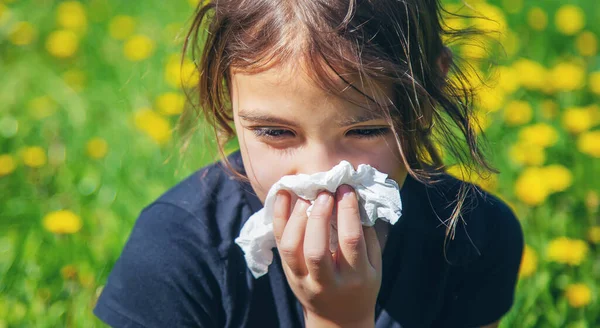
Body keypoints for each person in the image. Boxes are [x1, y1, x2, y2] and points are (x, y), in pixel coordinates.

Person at [93, 0, 524, 327]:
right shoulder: (173, 253)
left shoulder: (475, 238)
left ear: (428, 95)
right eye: (276, 132)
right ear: (228, 93)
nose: (321, 178)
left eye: (365, 130)